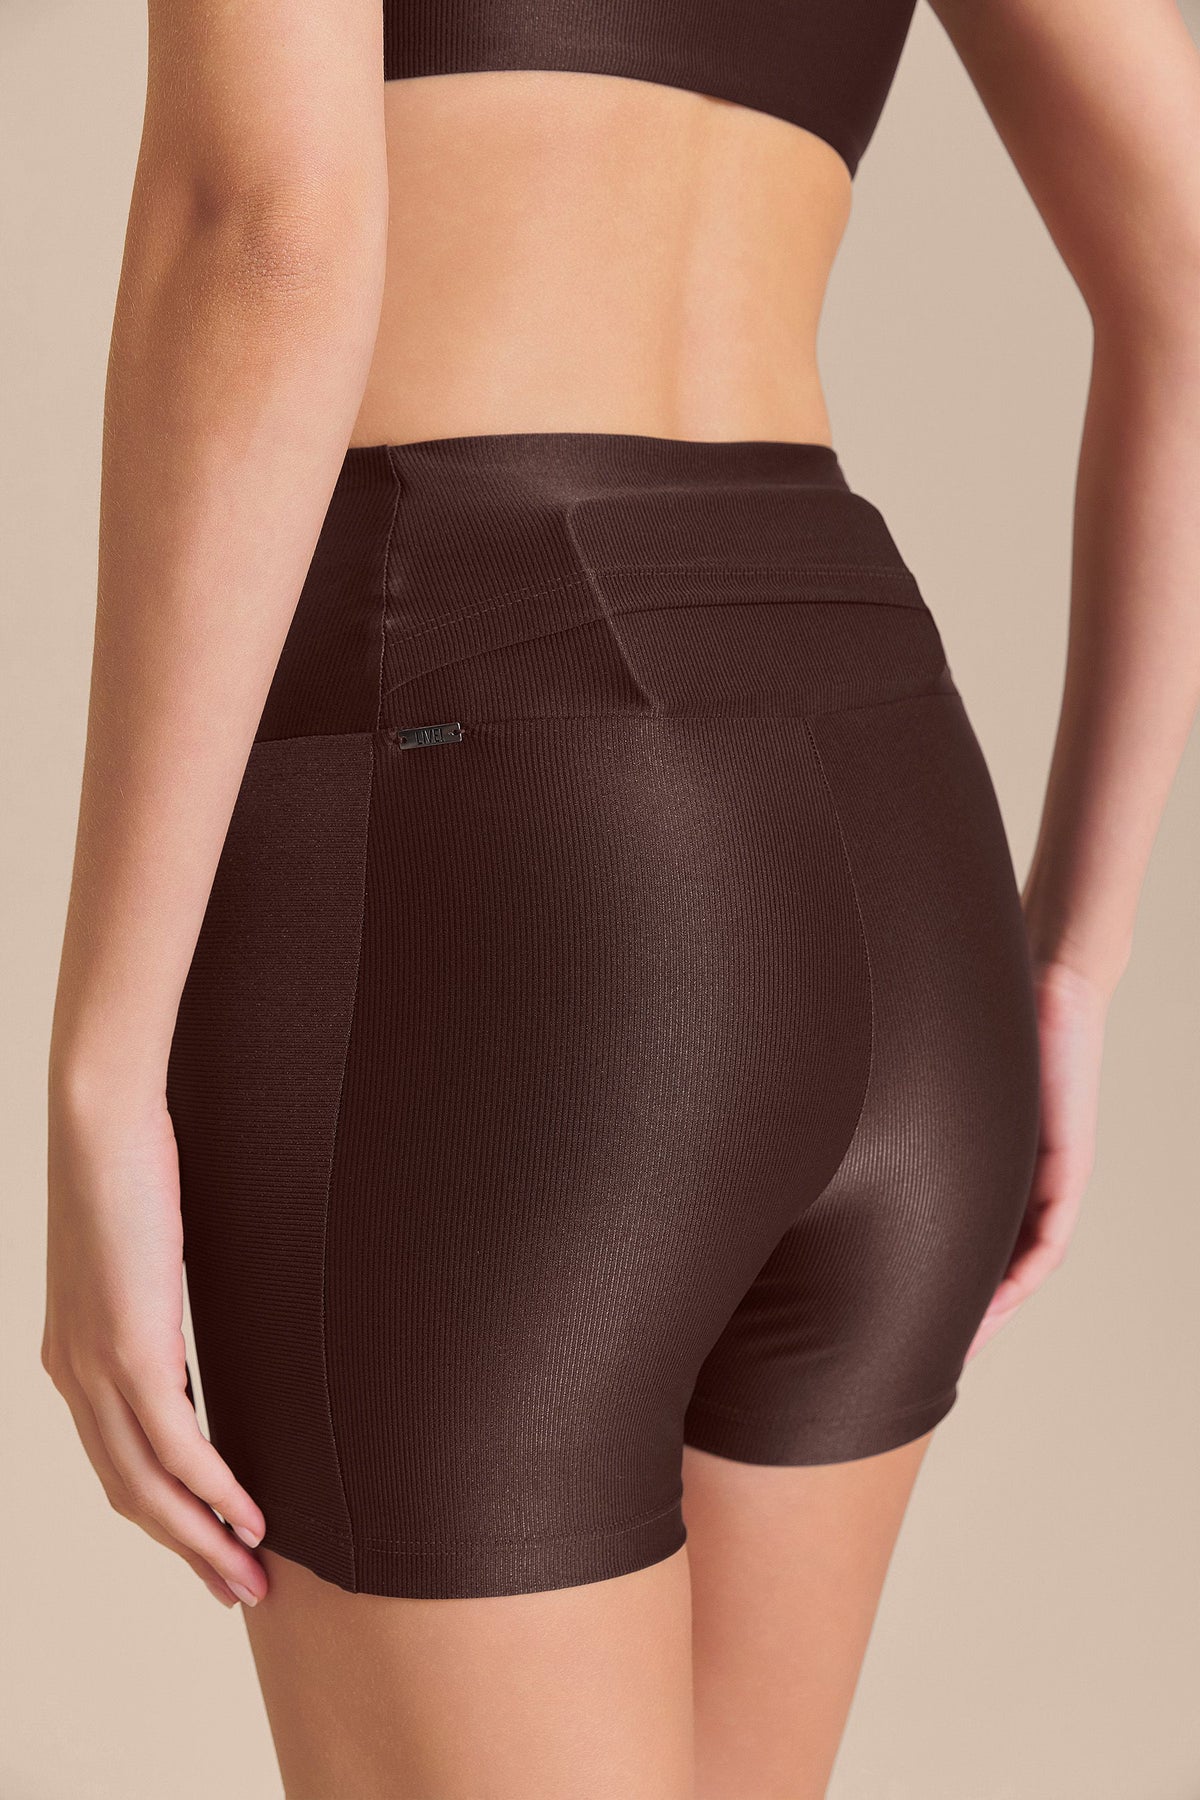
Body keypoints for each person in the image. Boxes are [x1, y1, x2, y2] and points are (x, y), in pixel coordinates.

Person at [42, 1, 1200, 1795]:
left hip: (504, 819)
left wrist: (104, 1069)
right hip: (895, 826)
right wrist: (1073, 961)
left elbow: (264, 228)